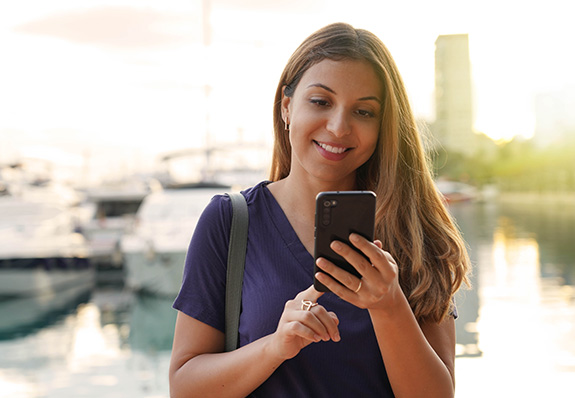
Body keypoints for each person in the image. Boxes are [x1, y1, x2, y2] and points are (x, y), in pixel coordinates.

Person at [169, 22, 470, 398]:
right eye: (321, 102)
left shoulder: (417, 232)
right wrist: (274, 347)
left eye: (363, 112)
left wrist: (390, 306)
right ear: (286, 107)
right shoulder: (230, 221)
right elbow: (184, 388)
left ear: (383, 127)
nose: (339, 127)